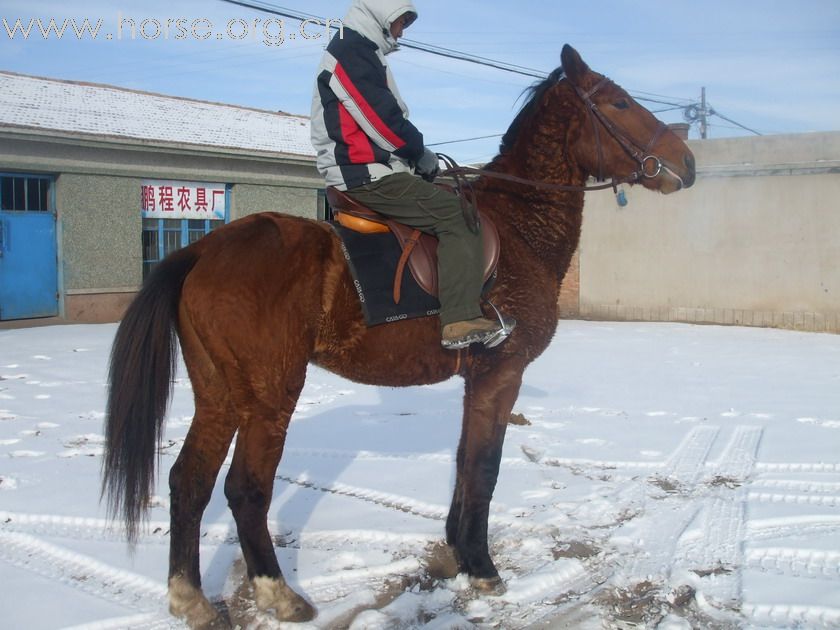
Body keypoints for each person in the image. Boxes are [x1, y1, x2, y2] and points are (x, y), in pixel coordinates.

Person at [310, 0, 515, 349]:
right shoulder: (352, 49)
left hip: (376, 168)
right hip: (366, 173)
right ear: (382, 12)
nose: (402, 31)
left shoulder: (363, 50)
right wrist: (417, 151)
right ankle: (459, 318)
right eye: (401, 21)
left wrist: (416, 159)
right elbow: (380, 120)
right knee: (457, 216)